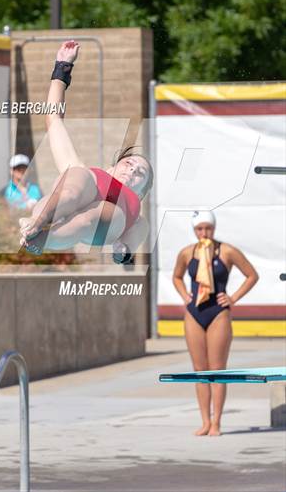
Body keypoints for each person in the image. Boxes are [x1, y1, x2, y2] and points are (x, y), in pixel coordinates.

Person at [19, 40, 153, 260]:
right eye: (129, 163)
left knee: (93, 216)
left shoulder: (136, 215)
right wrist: (62, 68)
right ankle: (37, 223)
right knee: (73, 182)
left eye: (140, 174)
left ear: (142, 193)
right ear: (112, 167)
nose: (132, 171)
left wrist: (124, 250)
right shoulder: (89, 174)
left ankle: (41, 238)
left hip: (106, 219)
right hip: (77, 192)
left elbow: (133, 240)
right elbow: (54, 120)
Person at [172, 210, 259, 436]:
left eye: (208, 228)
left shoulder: (227, 251)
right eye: (200, 229)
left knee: (217, 370)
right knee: (200, 372)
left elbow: (252, 275)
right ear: (194, 230)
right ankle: (204, 421)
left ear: (214, 228)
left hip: (218, 312)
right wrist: (184, 296)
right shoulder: (187, 253)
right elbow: (177, 276)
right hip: (194, 313)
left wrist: (233, 298)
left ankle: (217, 422)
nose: (204, 233)